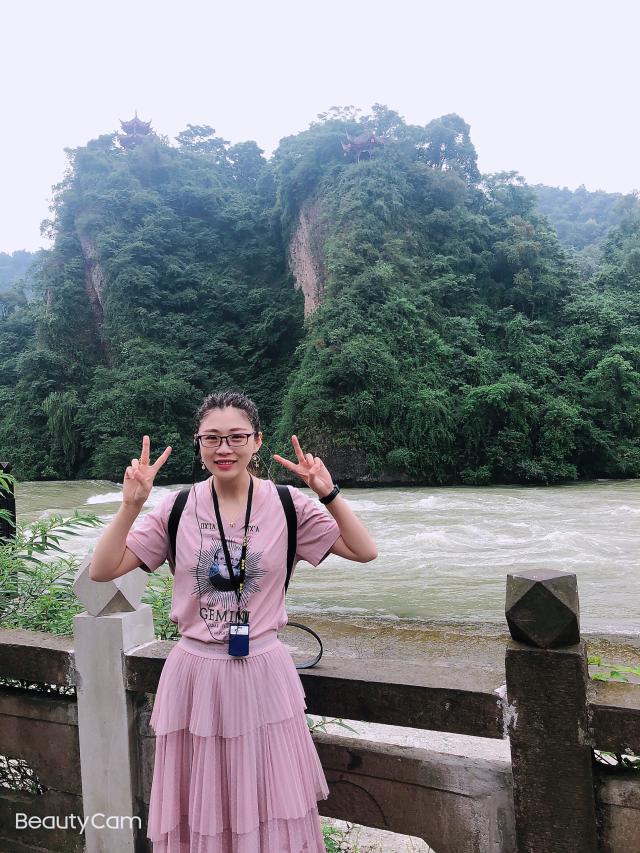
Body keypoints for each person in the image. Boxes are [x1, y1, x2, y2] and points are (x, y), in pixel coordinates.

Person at [89, 390, 377, 853]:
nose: (224, 448)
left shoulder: (288, 505)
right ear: (198, 443)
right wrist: (131, 505)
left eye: (237, 437)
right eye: (212, 438)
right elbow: (103, 570)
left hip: (263, 670)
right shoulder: (176, 508)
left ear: (257, 441)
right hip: (195, 673)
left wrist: (328, 492)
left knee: (268, 798)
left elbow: (364, 551)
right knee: (201, 801)